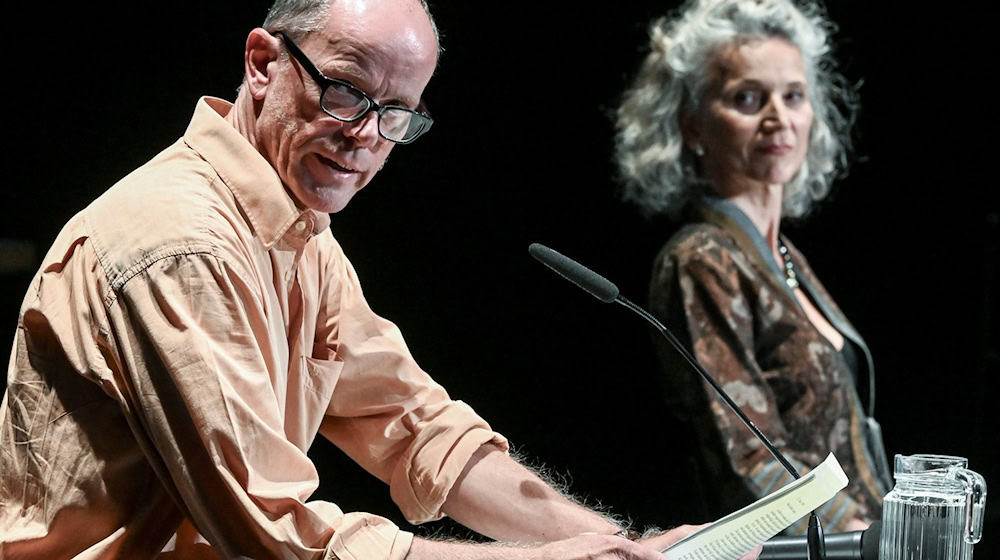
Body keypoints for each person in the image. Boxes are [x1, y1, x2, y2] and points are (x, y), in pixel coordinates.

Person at [1, 1, 763, 559]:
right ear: (263, 64)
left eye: (397, 113)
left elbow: (416, 428)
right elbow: (272, 537)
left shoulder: (297, 230)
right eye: (345, 92)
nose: (365, 137)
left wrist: (622, 547)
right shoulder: (182, 243)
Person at [614, 0, 894, 535]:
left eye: (793, 97)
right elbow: (749, 459)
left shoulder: (783, 254)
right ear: (692, 125)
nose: (778, 117)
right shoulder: (702, 257)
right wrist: (857, 536)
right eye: (748, 98)